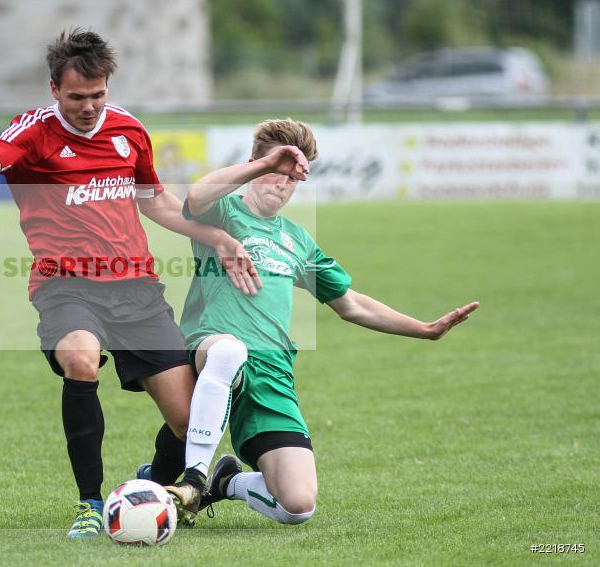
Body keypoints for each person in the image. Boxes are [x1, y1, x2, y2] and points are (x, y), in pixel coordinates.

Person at [0, 28, 260, 539]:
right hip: (65, 288)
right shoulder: (36, 130)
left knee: (188, 422)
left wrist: (216, 236)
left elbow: (155, 201)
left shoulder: (129, 130)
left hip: (137, 290)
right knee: (80, 359)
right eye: (76, 97)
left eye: (97, 95)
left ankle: (152, 485)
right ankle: (89, 503)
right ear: (54, 89)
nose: (88, 107)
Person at [157, 118, 479, 526]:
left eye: (293, 177)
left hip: (271, 372)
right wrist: (265, 164)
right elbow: (197, 195)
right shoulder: (223, 212)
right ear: (255, 164)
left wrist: (425, 329)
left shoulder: (298, 240)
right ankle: (195, 480)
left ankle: (226, 482)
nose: (283, 183)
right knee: (229, 352)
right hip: (212, 347)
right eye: (275, 170)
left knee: (298, 505)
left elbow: (351, 304)